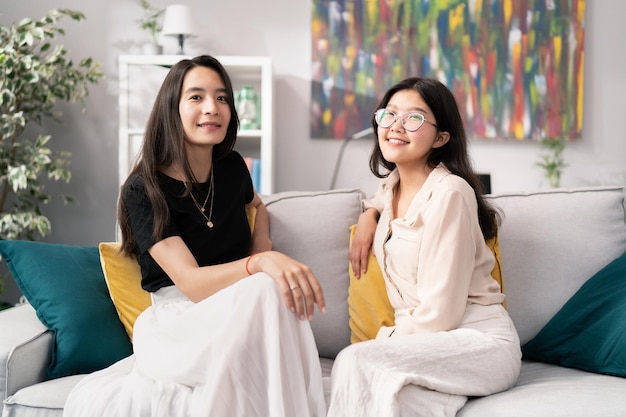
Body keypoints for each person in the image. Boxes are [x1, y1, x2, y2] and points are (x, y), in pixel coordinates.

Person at [64, 55, 327, 417]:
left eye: (222, 98)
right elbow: (191, 284)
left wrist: (261, 245)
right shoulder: (143, 190)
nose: (212, 108)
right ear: (172, 109)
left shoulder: (233, 168)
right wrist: (262, 262)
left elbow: (259, 206)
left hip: (237, 309)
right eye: (196, 97)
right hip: (178, 324)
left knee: (268, 289)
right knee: (268, 285)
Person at [327, 77, 522, 417]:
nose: (396, 126)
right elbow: (383, 191)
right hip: (427, 345)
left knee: (354, 361)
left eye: (414, 118)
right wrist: (370, 214)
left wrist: (383, 341)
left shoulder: (450, 194)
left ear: (441, 137)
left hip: (477, 341)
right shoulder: (393, 188)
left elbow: (441, 313)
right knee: (394, 404)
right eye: (389, 115)